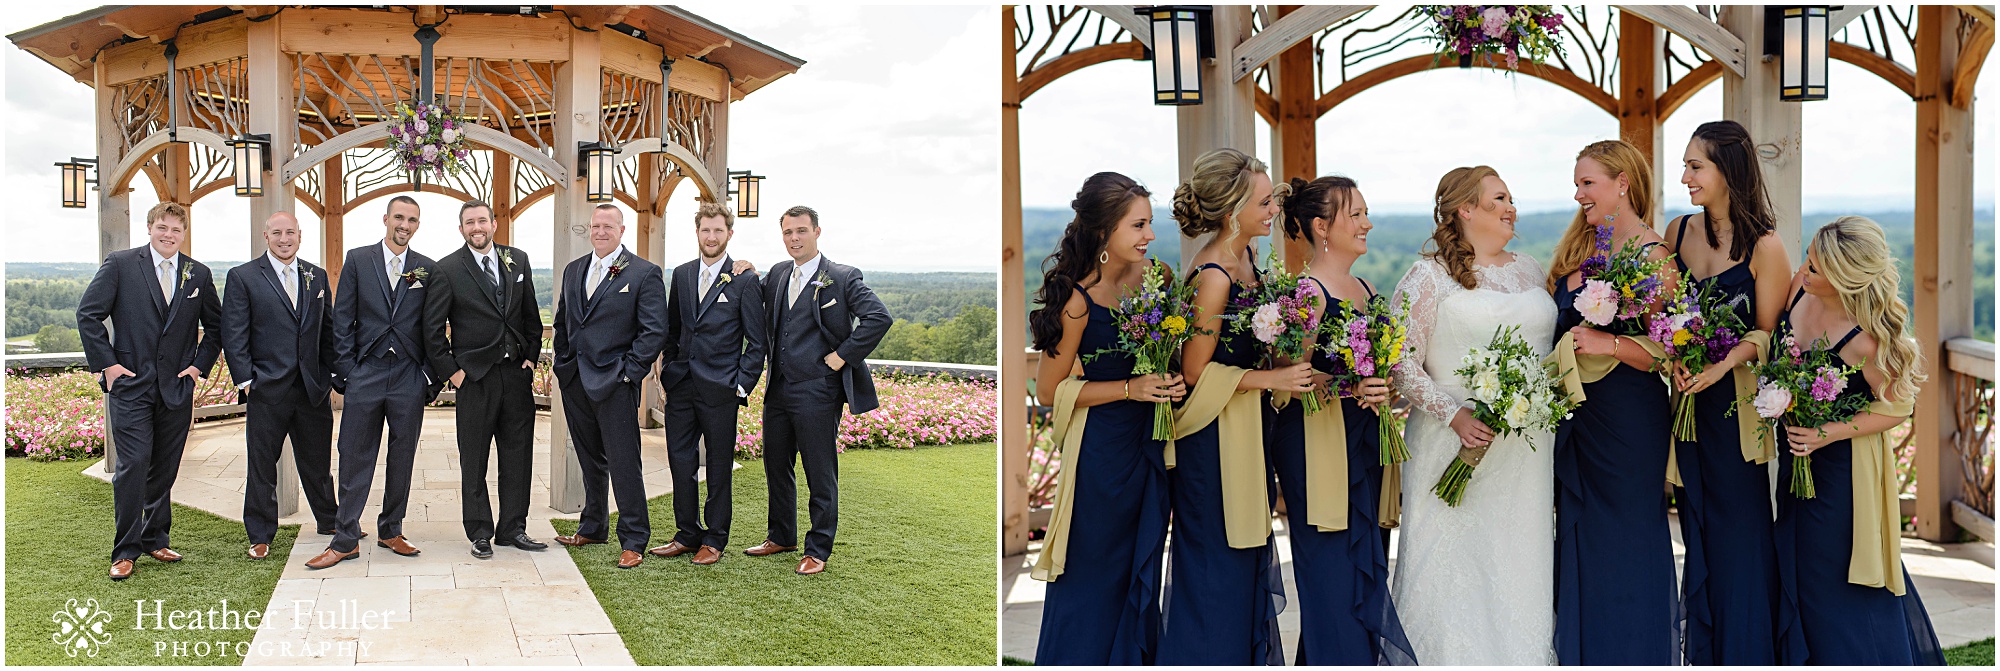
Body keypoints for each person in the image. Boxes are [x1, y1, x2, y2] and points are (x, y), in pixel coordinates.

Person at [1388, 166, 1556, 664]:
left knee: (1518, 563)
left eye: (1511, 198)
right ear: (1465, 210)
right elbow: (1399, 360)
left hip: (1525, 449)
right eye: (1498, 198)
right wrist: (1455, 413)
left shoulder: (1528, 269)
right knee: (1450, 567)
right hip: (1450, 441)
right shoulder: (1428, 275)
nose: (1511, 208)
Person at [1773, 216, 1945, 665]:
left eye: (1815, 267)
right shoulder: (1800, 288)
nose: (1804, 269)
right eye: (1808, 257)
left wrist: (1823, 434)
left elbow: (1896, 407)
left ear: (1845, 278)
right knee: (1799, 569)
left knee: (1836, 580)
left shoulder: (1865, 339)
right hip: (1796, 462)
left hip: (1841, 476)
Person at [1028, 172, 1181, 665]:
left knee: (1143, 567)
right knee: (1092, 576)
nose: (1149, 235)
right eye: (1138, 225)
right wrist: (1129, 389)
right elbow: (1049, 390)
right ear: (1103, 232)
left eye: (1150, 224)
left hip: (1150, 448)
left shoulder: (1156, 278)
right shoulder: (1077, 301)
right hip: (1101, 460)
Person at [1270, 175, 1415, 665]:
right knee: (1331, 573)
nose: (1366, 223)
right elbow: (1290, 380)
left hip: (1367, 441)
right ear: (1321, 226)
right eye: (1355, 214)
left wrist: (1382, 384)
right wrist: (1350, 387)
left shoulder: (1367, 287)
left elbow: (1379, 367)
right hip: (1318, 447)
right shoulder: (1306, 294)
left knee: (1363, 566)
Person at [1665, 120, 1793, 664]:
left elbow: (1772, 335)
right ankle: (1705, 653)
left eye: (1697, 166)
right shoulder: (1675, 233)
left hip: (1735, 415)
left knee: (1740, 539)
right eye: (1687, 165)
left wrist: (1722, 365)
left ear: (1729, 171)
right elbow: (1660, 315)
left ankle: (1749, 653)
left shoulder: (1766, 247)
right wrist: (1674, 355)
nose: (1686, 176)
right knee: (1696, 532)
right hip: (1684, 408)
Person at [1548, 139, 1679, 665]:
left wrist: (1609, 343)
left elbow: (1674, 352)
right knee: (1582, 538)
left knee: (1628, 541)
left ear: (1622, 183)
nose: (1577, 193)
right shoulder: (1579, 251)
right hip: (1576, 418)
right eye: (1578, 183)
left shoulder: (1655, 256)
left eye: (1587, 183)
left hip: (1628, 423)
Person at [1160, 147, 1292, 665]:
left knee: (1243, 560)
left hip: (1247, 429)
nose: (1272, 209)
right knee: (1218, 566)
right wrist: (1273, 377)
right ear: (1233, 207)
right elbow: (1195, 371)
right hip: (1211, 443)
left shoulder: (1248, 260)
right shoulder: (1215, 275)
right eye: (1263, 201)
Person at [76, 201, 223, 580]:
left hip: (176, 388)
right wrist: (108, 366)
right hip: (130, 386)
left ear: (183, 233)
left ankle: (155, 538)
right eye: (162, 227)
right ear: (149, 227)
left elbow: (217, 327)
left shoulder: (198, 274)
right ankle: (125, 550)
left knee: (165, 468)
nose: (168, 234)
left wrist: (196, 368)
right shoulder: (121, 264)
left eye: (175, 229)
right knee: (133, 465)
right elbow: (88, 314)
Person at [746, 205, 891, 576]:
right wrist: (747, 272)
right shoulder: (779, 274)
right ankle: (781, 536)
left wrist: (843, 356)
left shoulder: (841, 277)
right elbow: (757, 300)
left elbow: (878, 317)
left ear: (817, 232)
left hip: (819, 391)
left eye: (801, 231)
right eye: (788, 233)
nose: (794, 238)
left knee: (819, 470)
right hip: (778, 388)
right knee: (776, 465)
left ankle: (818, 549)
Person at [322, 195, 441, 567]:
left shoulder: (427, 268)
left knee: (402, 456)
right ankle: (345, 538)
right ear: (385, 219)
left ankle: (391, 529)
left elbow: (433, 325)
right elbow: (342, 319)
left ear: (417, 226)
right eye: (399, 218)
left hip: (408, 374)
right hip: (367, 372)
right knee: (354, 454)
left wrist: (427, 376)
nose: (404, 225)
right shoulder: (359, 259)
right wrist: (348, 372)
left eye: (412, 220)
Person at [548, 205, 668, 569]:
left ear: (622, 229)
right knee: (589, 458)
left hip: (616, 383)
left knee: (623, 462)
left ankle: (634, 538)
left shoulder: (644, 273)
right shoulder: (574, 270)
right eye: (595, 226)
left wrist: (629, 374)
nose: (600, 231)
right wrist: (564, 365)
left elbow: (654, 332)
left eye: (607, 226)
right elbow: (564, 322)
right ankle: (593, 525)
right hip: (575, 381)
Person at [425, 199, 546, 558]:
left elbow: (531, 316)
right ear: (461, 229)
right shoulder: (446, 269)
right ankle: (479, 531)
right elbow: (432, 333)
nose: (477, 228)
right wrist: (455, 374)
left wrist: (530, 357)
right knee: (474, 459)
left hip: (515, 378)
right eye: (469, 223)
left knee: (518, 456)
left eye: (482, 221)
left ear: (494, 224)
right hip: (474, 381)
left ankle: (513, 529)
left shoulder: (518, 259)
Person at [649, 201, 767, 565]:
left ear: (729, 234)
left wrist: (740, 384)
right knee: (679, 463)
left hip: (722, 390)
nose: (711, 236)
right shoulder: (682, 274)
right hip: (682, 386)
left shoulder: (745, 280)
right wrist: (668, 371)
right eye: (705, 230)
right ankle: (687, 533)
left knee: (717, 466)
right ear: (697, 233)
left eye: (718, 230)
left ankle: (714, 539)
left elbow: (757, 343)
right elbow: (672, 330)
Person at [221, 212, 339, 564]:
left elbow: (328, 329)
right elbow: (234, 331)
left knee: (317, 461)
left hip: (311, 388)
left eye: (290, 232)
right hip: (266, 389)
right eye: (277, 232)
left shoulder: (315, 275)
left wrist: (331, 374)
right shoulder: (242, 277)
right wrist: (247, 380)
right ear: (265, 235)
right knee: (262, 464)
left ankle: (329, 521)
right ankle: (260, 534)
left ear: (300, 236)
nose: (284, 238)